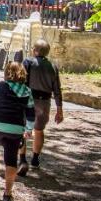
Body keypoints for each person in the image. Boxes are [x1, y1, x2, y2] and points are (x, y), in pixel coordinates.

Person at [0, 59, 36, 201]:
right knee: (11, 160)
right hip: (15, 129)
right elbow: (31, 115)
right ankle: (8, 193)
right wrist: (29, 130)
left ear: (6, 73)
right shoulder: (27, 91)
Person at [21, 39, 64, 173]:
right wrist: (59, 110)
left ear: (35, 51)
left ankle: (22, 159)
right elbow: (57, 89)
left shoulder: (28, 62)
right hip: (44, 102)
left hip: (28, 99)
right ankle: (35, 159)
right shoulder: (53, 67)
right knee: (39, 130)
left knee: (22, 129)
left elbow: (21, 80)